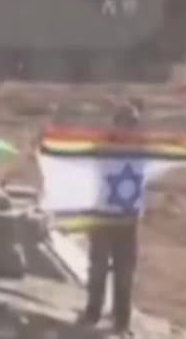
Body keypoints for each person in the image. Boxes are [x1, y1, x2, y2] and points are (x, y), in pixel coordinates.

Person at [79, 100, 143, 334]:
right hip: (102, 217)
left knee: (125, 273)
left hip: (128, 220)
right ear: (115, 124)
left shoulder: (140, 151)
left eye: (133, 124)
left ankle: (121, 321)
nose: (129, 129)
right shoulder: (101, 149)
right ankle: (92, 313)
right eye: (125, 123)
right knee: (97, 269)